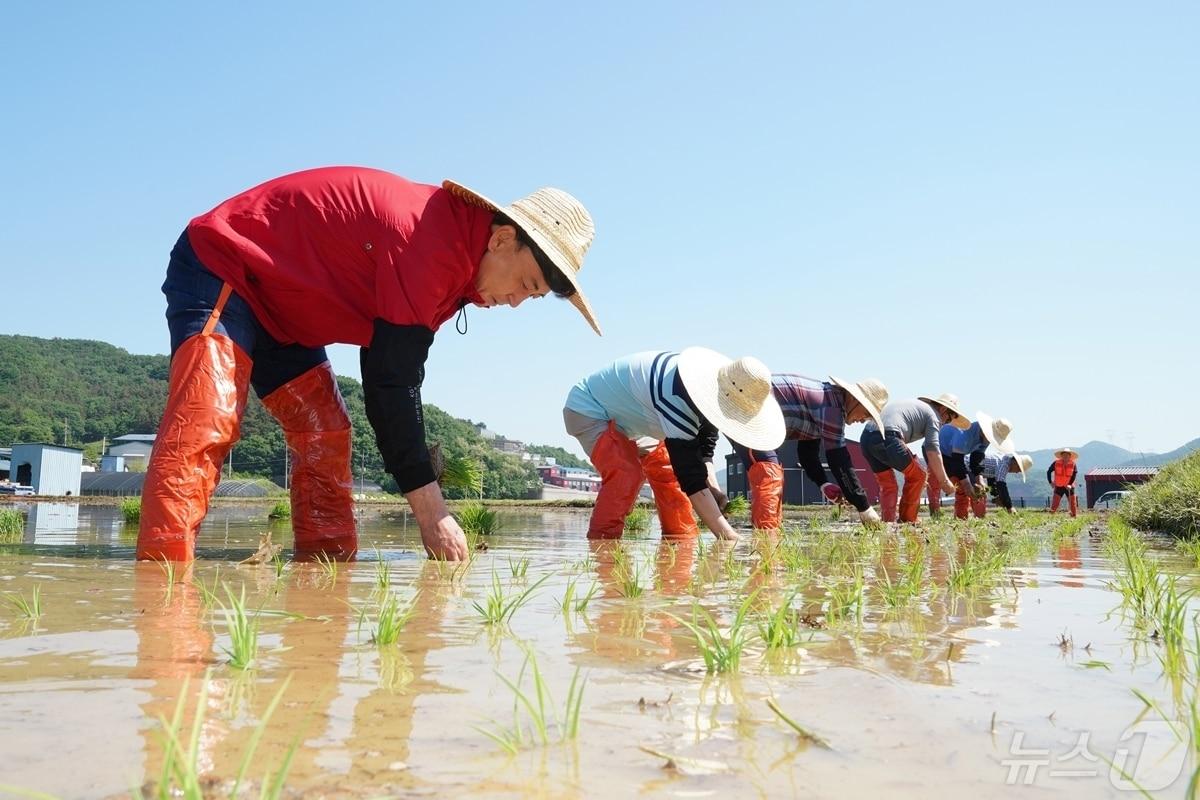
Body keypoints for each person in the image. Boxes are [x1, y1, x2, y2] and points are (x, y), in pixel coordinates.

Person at [137, 167, 599, 562]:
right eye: (525, 282)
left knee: (325, 431)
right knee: (205, 419)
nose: (516, 301)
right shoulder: (430, 241)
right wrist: (433, 514)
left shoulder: (459, 264)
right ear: (502, 239)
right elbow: (390, 385)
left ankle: (326, 570)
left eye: (531, 297)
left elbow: (401, 376)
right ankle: (160, 592)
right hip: (229, 264)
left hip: (286, 314)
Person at [563, 348, 785, 541]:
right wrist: (728, 536)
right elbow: (692, 479)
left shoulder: (711, 399)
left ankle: (680, 544)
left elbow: (704, 454)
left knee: (668, 475)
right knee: (626, 475)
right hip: (590, 409)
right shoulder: (679, 396)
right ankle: (603, 548)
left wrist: (715, 491)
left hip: (634, 418)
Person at [728, 375, 889, 530]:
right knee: (769, 474)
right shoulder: (832, 407)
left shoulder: (826, 402)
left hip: (751, 413)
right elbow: (839, 461)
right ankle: (766, 543)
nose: (863, 420)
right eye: (866, 413)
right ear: (855, 399)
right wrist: (864, 507)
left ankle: (763, 531)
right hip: (747, 411)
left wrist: (823, 484)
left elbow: (807, 454)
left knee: (770, 474)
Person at [860, 393, 969, 523]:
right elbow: (932, 450)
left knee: (888, 484)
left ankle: (888, 522)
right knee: (919, 475)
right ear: (944, 410)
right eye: (948, 419)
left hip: (867, 438)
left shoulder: (918, 407)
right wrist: (944, 481)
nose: (945, 423)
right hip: (889, 436)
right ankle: (908, 520)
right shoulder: (934, 416)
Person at [929, 411, 1017, 519]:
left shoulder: (985, 439)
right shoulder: (964, 433)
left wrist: (978, 478)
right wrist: (966, 483)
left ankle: (961, 518)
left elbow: (977, 458)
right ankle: (935, 515)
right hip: (935, 450)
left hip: (954, 456)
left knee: (961, 487)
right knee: (935, 482)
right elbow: (957, 461)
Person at [1047, 447, 1080, 516]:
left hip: (1069, 487)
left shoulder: (1073, 464)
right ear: (1061, 456)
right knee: (1055, 503)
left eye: (1067, 455)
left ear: (1070, 456)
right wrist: (1050, 482)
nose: (1065, 456)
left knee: (1073, 503)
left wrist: (1070, 484)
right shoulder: (1056, 463)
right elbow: (1048, 472)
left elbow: (1074, 475)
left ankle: (1074, 516)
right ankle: (1051, 517)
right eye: (1064, 455)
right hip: (1059, 486)